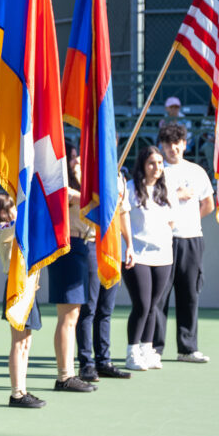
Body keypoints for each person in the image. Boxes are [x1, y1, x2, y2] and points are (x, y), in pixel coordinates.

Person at [155, 123, 215, 364]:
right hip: (163, 241)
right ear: (162, 146)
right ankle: (154, 349)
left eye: (177, 143)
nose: (173, 148)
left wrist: (186, 220)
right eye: (168, 144)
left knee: (189, 293)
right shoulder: (157, 171)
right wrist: (175, 198)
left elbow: (208, 204)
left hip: (191, 240)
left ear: (185, 144)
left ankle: (187, 349)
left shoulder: (197, 172)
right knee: (160, 296)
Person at [74, 148, 136, 383]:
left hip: (112, 244)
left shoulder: (120, 176)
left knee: (106, 308)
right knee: (89, 307)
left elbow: (123, 212)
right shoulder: (86, 170)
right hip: (90, 241)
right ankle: (86, 363)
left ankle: (104, 361)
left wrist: (129, 244)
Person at [45, 144, 97, 394]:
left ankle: (68, 372)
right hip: (67, 246)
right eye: (74, 158)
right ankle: (65, 375)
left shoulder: (80, 186)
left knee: (74, 315)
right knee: (68, 315)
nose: (77, 162)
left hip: (81, 246)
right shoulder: (60, 185)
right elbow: (78, 197)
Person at [0, 192, 46, 409]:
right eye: (12, 206)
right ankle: (16, 392)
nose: (15, 210)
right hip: (16, 288)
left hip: (28, 287)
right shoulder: (2, 230)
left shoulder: (14, 227)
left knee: (26, 342)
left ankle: (22, 388)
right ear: (2, 212)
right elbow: (23, 225)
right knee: (18, 342)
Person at [123, 145, 175, 372]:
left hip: (163, 256)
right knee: (142, 305)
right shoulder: (131, 189)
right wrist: (129, 247)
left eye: (160, 163)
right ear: (143, 166)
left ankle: (147, 348)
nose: (156, 168)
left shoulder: (166, 191)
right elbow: (122, 220)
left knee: (154, 305)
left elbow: (171, 222)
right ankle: (132, 352)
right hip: (137, 255)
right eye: (151, 163)